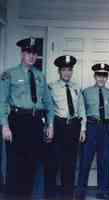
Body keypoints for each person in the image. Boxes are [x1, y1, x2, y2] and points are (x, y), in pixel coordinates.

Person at [0, 37, 54, 199]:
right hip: (17, 121)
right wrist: (4, 125)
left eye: (34, 53)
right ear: (22, 53)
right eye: (28, 52)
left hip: (35, 122)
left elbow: (48, 103)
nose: (31, 56)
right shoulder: (9, 74)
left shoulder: (40, 76)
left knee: (31, 164)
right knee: (15, 164)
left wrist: (50, 124)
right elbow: (2, 101)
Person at [76, 63, 109, 200]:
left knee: (105, 161)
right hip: (91, 128)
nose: (101, 78)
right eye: (99, 75)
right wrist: (83, 129)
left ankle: (104, 191)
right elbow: (81, 112)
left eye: (104, 76)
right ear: (94, 76)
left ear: (107, 77)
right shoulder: (86, 92)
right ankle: (80, 192)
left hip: (106, 129)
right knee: (85, 160)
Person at [48, 55, 86, 199]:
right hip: (58, 126)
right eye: (64, 70)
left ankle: (67, 195)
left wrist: (83, 128)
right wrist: (49, 127)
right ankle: (50, 195)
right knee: (53, 163)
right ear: (59, 71)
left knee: (70, 164)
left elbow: (81, 108)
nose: (67, 73)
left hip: (73, 126)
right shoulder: (52, 87)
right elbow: (48, 108)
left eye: (69, 70)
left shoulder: (77, 87)